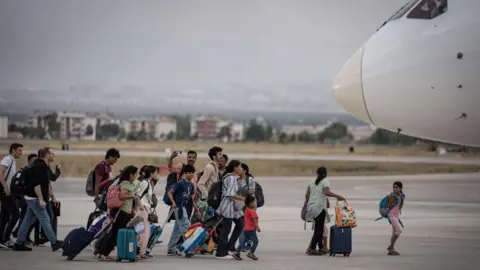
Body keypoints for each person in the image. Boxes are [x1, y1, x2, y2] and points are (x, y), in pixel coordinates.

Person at [13, 147, 63, 252]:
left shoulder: (43, 166)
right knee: (45, 219)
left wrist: (52, 197)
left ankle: (19, 243)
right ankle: (54, 242)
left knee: (27, 220)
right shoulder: (39, 166)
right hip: (35, 198)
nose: (54, 155)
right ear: (47, 155)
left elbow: (46, 183)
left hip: (33, 197)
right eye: (52, 153)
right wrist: (41, 199)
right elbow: (37, 184)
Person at [97, 165, 138, 261]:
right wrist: (133, 196)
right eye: (135, 174)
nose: (136, 176)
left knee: (115, 233)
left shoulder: (123, 182)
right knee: (115, 234)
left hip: (124, 212)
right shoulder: (126, 183)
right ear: (131, 175)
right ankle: (103, 253)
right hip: (122, 212)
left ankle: (102, 252)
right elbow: (122, 195)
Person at [305, 167, 345, 256]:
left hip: (311, 208)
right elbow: (326, 192)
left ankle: (321, 248)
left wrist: (308, 204)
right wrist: (338, 196)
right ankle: (312, 248)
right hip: (319, 208)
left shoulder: (312, 182)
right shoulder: (325, 181)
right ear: (325, 174)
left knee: (319, 228)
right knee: (318, 230)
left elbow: (307, 195)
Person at [215, 160, 245, 260]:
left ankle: (230, 247)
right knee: (225, 230)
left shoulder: (232, 177)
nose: (242, 169)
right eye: (240, 167)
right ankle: (221, 253)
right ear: (235, 168)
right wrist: (243, 199)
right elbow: (230, 194)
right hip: (227, 207)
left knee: (240, 224)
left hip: (233, 207)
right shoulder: (231, 178)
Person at [166, 164, 198, 256]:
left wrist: (196, 208)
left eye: (192, 173)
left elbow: (190, 198)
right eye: (189, 173)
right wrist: (173, 202)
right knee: (187, 227)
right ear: (185, 173)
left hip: (184, 207)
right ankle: (189, 248)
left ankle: (171, 248)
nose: (191, 174)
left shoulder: (191, 185)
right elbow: (170, 193)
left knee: (177, 230)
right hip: (178, 208)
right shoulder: (180, 183)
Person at [0, 143, 23, 248]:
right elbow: (0, 172)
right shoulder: (7, 159)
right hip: (4, 192)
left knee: (5, 216)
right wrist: (5, 187)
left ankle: (2, 240)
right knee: (16, 214)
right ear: (13, 150)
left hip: (7, 192)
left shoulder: (12, 161)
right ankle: (6, 238)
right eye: (19, 150)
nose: (21, 153)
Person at [12, 153, 37, 244]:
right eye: (34, 160)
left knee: (28, 218)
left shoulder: (32, 170)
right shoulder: (24, 171)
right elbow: (17, 183)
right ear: (29, 161)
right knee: (25, 217)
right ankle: (21, 235)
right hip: (23, 198)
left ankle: (21, 234)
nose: (35, 162)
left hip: (29, 197)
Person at [135, 165, 158, 259]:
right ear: (151, 173)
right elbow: (137, 195)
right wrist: (141, 207)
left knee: (144, 231)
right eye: (155, 172)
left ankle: (140, 252)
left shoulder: (149, 182)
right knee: (143, 231)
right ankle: (139, 252)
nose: (157, 174)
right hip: (143, 209)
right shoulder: (145, 183)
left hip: (146, 209)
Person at [235, 196, 260, 261]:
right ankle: (251, 253)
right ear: (250, 203)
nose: (255, 204)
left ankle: (237, 252)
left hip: (246, 229)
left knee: (244, 241)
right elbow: (254, 219)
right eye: (254, 202)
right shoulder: (252, 211)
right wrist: (257, 227)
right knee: (256, 241)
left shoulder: (247, 210)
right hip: (251, 230)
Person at [387, 181, 405, 256]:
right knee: (399, 231)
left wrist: (400, 199)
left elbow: (400, 206)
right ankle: (391, 247)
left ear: (400, 188)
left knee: (394, 233)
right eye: (394, 187)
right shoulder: (392, 195)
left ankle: (391, 249)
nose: (394, 189)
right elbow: (389, 205)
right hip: (391, 215)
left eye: (396, 188)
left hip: (396, 216)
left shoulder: (401, 196)